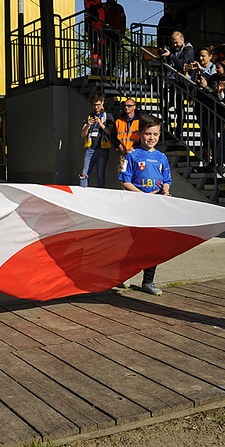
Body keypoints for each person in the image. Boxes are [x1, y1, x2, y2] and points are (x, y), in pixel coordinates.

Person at [118, 115, 171, 296]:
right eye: (148, 134)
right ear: (140, 134)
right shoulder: (132, 155)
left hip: (155, 208)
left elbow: (166, 181)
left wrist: (165, 189)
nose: (151, 138)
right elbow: (125, 183)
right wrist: (143, 196)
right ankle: (126, 272)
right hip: (137, 206)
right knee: (136, 243)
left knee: (154, 244)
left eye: (155, 134)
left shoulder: (162, 157)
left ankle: (148, 281)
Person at [79, 93, 117, 188]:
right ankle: (82, 193)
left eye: (98, 105)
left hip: (103, 149)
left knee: (100, 174)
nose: (96, 107)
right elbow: (83, 135)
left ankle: (100, 193)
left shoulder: (108, 116)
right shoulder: (89, 117)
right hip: (90, 149)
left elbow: (109, 132)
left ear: (103, 103)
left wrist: (101, 124)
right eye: (94, 105)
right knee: (84, 173)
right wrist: (88, 125)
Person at [83, 0, 105, 71]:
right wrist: (101, 6)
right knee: (96, 49)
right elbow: (91, 8)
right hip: (93, 25)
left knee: (99, 49)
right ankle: (96, 68)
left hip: (98, 26)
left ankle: (98, 67)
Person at [103, 0, 126, 75]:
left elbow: (123, 21)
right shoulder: (103, 6)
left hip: (116, 34)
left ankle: (110, 71)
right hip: (105, 32)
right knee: (103, 53)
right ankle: (102, 71)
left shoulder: (119, 7)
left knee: (114, 54)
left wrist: (122, 34)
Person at [114, 97, 140, 164]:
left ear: (134, 107)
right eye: (125, 105)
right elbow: (113, 136)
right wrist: (119, 146)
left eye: (129, 106)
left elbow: (143, 137)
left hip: (136, 151)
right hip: (122, 152)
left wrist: (134, 147)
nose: (126, 107)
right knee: (122, 172)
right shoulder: (118, 120)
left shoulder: (140, 121)